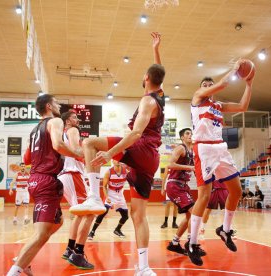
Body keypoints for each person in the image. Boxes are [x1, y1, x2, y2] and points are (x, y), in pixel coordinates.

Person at [69, 32, 165, 276]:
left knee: (90, 142)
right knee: (138, 215)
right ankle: (143, 268)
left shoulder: (147, 102)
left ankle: (92, 196)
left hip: (140, 149)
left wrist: (110, 153)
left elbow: (134, 135)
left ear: (145, 78)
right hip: (150, 160)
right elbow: (159, 72)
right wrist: (156, 49)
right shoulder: (160, 96)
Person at [7, 94, 83, 276]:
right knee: (42, 233)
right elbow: (57, 144)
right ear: (49, 106)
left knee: (56, 223)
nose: (59, 105)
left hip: (37, 180)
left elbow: (27, 158)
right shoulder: (55, 121)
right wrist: (78, 155)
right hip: (45, 180)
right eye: (56, 102)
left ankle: (23, 260)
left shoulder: (34, 130)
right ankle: (15, 270)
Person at [188, 59, 254, 266]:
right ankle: (192, 243)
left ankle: (225, 230)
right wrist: (234, 69)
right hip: (204, 148)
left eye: (210, 85)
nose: (207, 87)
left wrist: (249, 84)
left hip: (220, 148)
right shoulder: (198, 99)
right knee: (204, 196)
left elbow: (243, 106)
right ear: (201, 89)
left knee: (236, 191)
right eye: (205, 85)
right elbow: (224, 84)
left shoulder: (218, 105)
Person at [58, 110, 95, 270]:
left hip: (69, 176)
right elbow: (75, 149)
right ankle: (78, 253)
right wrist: (91, 156)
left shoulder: (63, 134)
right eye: (74, 117)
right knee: (91, 211)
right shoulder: (72, 130)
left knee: (80, 215)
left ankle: (70, 249)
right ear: (66, 121)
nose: (77, 119)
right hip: (73, 174)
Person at [164, 128, 200, 257]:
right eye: (187, 134)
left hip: (183, 185)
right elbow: (171, 165)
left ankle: (174, 243)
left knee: (190, 216)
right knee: (194, 212)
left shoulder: (192, 151)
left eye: (191, 133)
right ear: (182, 138)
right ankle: (191, 243)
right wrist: (189, 167)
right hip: (174, 184)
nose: (190, 135)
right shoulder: (180, 148)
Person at [88, 160, 129, 240]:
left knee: (125, 216)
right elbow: (104, 186)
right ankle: (92, 231)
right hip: (111, 193)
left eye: (119, 159)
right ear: (112, 161)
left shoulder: (125, 171)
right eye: (115, 159)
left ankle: (117, 229)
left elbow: (133, 179)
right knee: (103, 213)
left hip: (120, 194)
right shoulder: (109, 172)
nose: (117, 161)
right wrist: (107, 197)